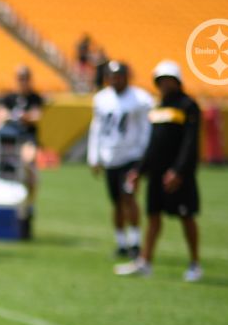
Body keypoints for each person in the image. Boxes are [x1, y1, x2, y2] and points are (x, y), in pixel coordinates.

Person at [116, 60, 203, 281]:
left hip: (178, 175)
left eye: (168, 80)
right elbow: (152, 146)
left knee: (186, 217)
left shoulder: (188, 106)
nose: (164, 85)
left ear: (176, 81)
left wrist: (178, 171)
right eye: (161, 81)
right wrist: (139, 170)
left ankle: (195, 263)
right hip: (157, 173)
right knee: (153, 216)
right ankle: (145, 261)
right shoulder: (158, 107)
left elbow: (190, 144)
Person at [87, 61, 152, 259]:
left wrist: (144, 157)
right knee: (116, 201)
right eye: (112, 76)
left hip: (131, 156)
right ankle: (121, 243)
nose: (115, 80)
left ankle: (135, 242)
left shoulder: (140, 99)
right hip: (110, 157)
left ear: (126, 77)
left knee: (129, 197)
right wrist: (94, 156)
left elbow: (145, 130)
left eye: (119, 76)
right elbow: (96, 128)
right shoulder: (101, 99)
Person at [0, 65, 44, 233]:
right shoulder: (8, 98)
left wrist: (20, 116)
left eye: (25, 78)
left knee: (28, 165)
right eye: (20, 78)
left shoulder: (35, 98)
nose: (23, 82)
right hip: (8, 143)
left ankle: (28, 205)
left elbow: (35, 117)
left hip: (26, 140)